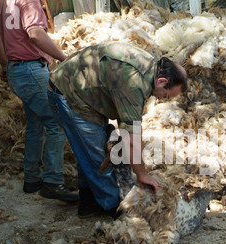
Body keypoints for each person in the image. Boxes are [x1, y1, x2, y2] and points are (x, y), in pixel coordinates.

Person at [47, 41, 188, 219]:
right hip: (69, 95)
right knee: (99, 157)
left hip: (84, 93)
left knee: (89, 152)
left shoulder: (149, 68)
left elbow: (129, 124)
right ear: (162, 81)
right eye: (165, 95)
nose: (161, 99)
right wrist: (142, 174)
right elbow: (131, 137)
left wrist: (136, 164)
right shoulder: (135, 82)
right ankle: (117, 210)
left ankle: (88, 204)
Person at [0, 0, 78, 202]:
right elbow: (35, 34)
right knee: (56, 123)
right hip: (30, 69)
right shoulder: (28, 1)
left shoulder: (1, 2)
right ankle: (53, 182)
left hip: (17, 68)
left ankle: (32, 179)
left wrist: (5, 63)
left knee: (35, 124)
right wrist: (64, 58)